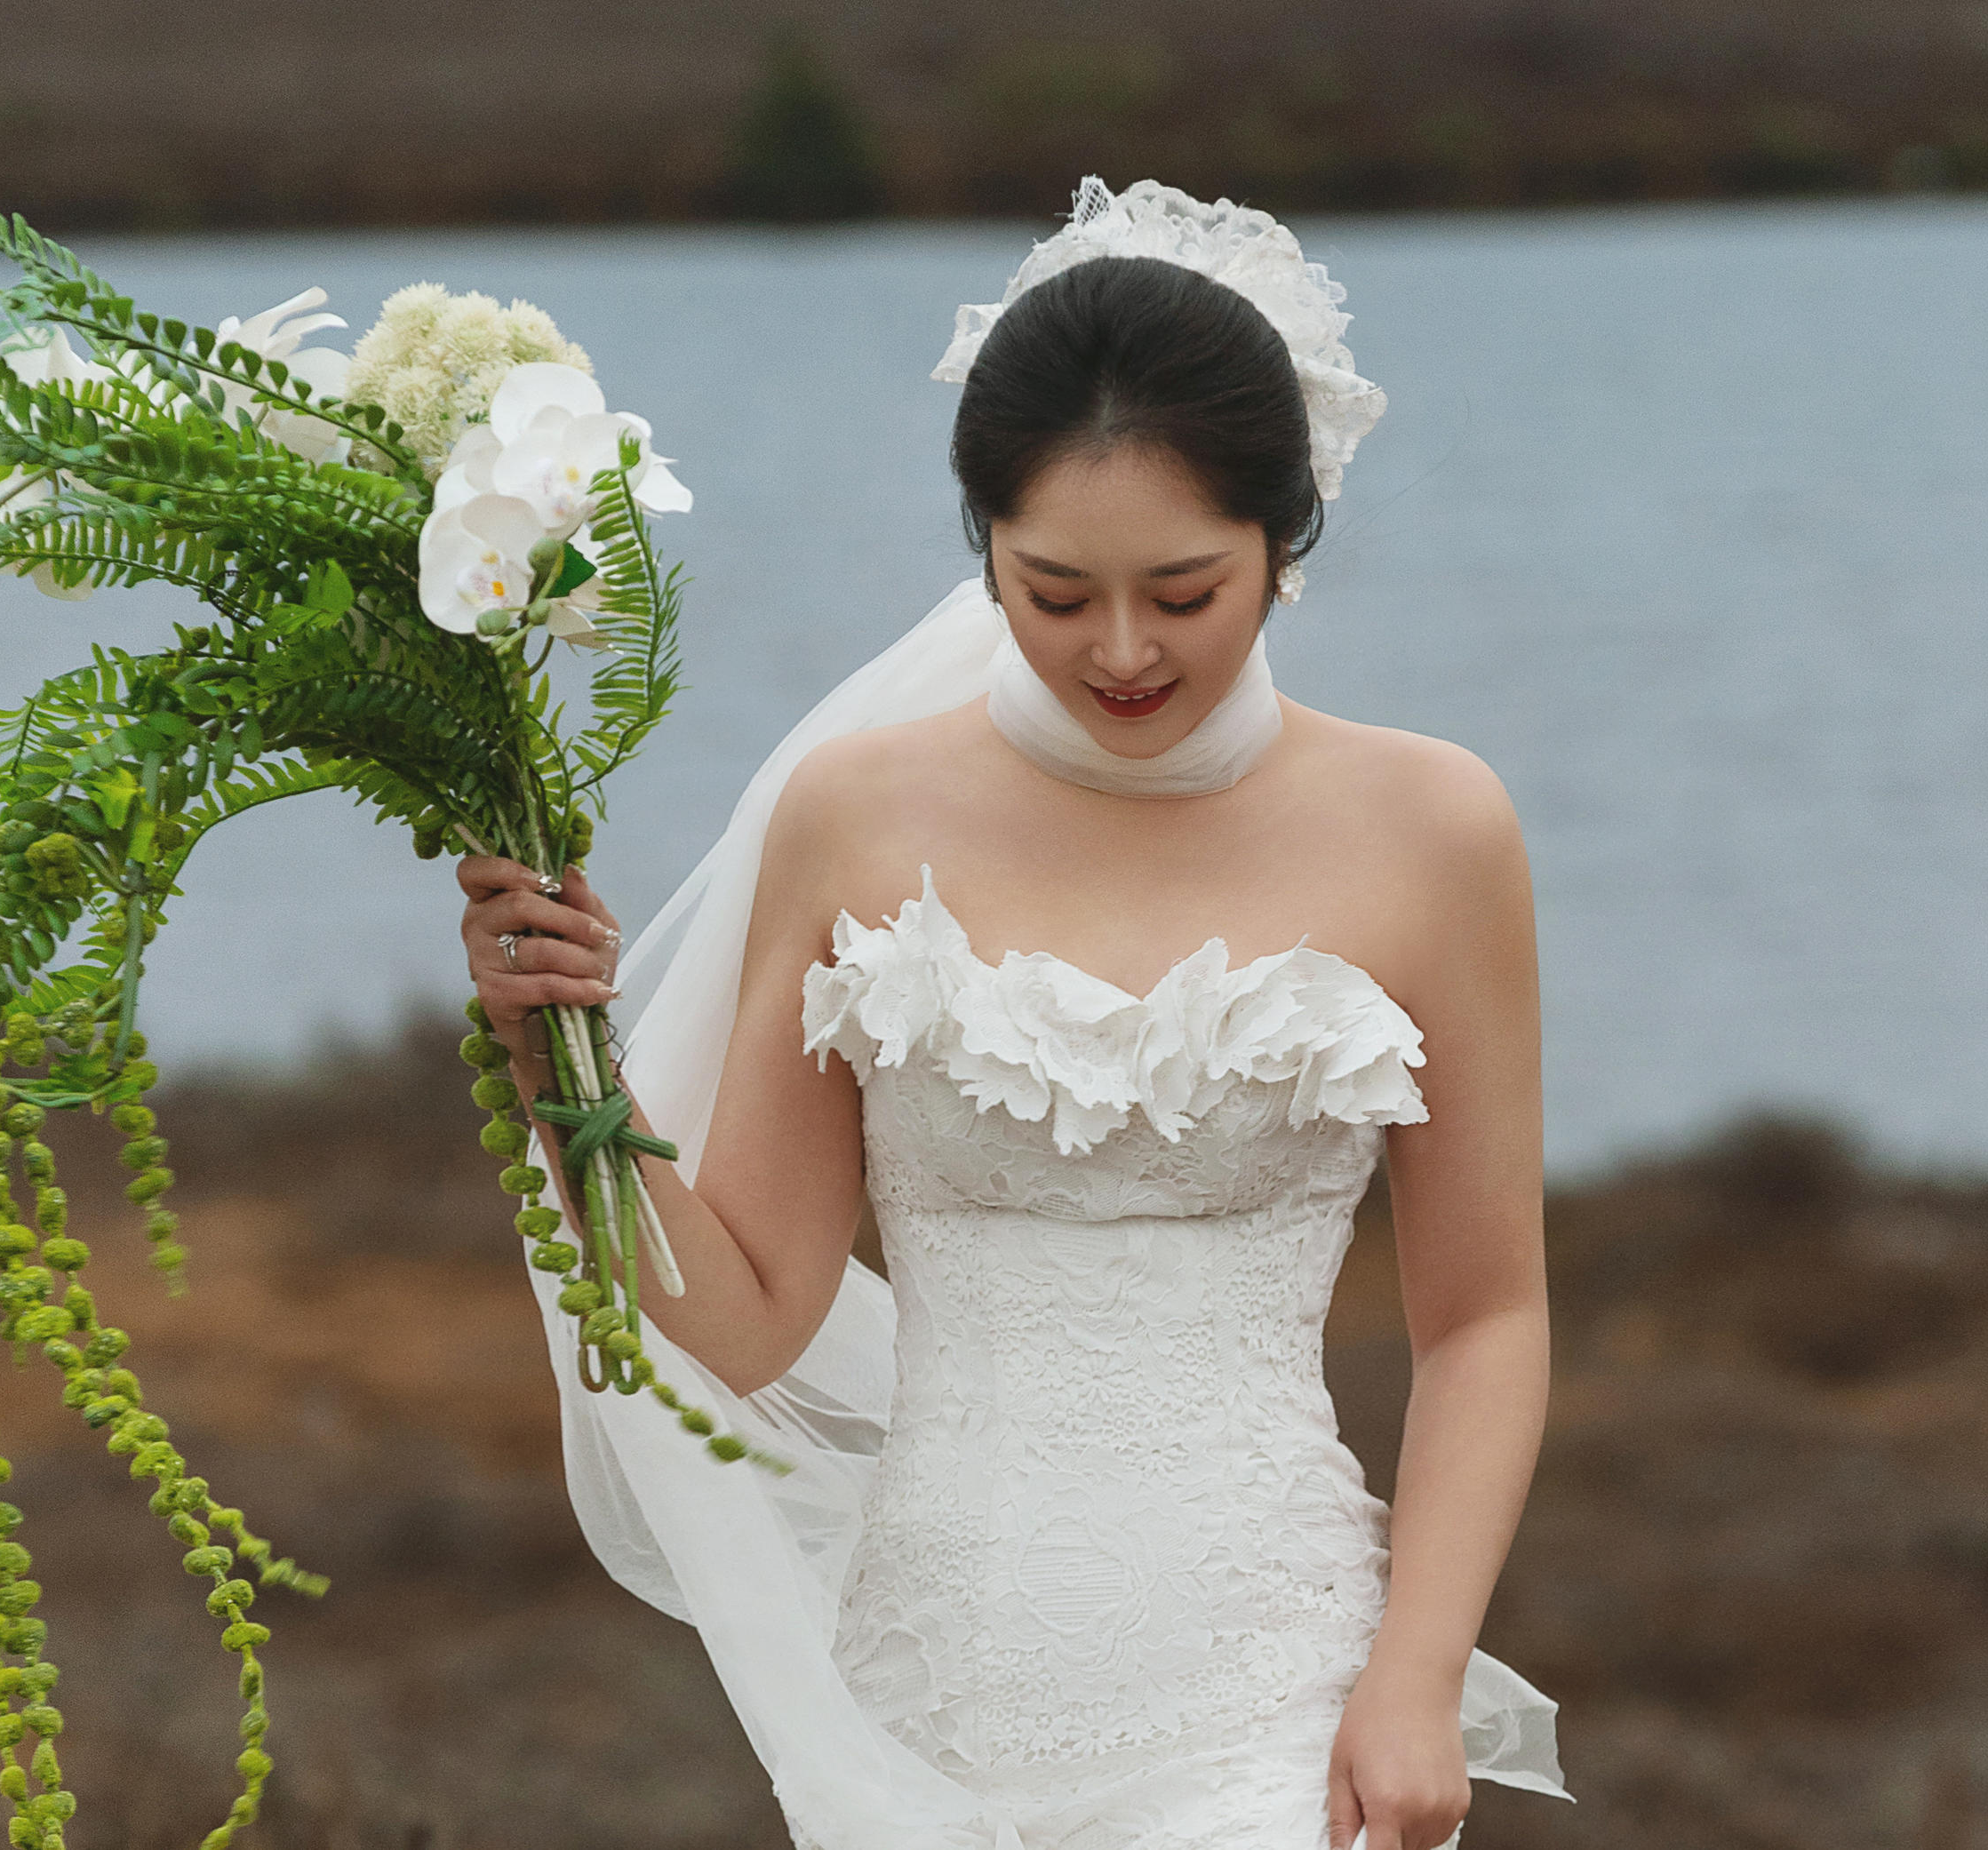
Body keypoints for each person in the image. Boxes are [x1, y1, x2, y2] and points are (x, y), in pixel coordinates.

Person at [451, 180, 1566, 1850]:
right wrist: (564, 1064)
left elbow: (1483, 1316)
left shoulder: (1435, 828)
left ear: (1287, 539)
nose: (1121, 649)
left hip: (1283, 1688)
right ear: (984, 546)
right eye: (1056, 592)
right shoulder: (852, 815)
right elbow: (751, 1313)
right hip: (936, 1700)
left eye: (1185, 592)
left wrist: (1417, 1675)